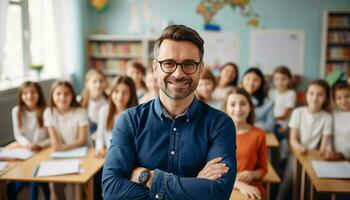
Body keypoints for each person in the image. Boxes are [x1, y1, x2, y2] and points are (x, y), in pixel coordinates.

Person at [102, 24, 237, 200]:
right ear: (155, 68)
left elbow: (218, 193)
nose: (178, 73)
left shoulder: (220, 124)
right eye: (168, 64)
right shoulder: (129, 120)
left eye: (189, 64)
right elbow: (112, 191)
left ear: (201, 69)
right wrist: (196, 183)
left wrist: (148, 178)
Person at [276, 79, 334, 200]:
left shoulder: (327, 117)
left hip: (314, 154)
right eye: (311, 93)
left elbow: (325, 142)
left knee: (315, 182)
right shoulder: (298, 112)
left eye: (320, 94)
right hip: (297, 152)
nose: (315, 98)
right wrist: (299, 148)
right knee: (289, 180)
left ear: (326, 97)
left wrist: (323, 152)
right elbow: (293, 140)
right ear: (306, 94)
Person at [44, 81, 90, 200]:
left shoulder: (80, 111)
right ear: (52, 96)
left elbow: (82, 139)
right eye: (58, 94)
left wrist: (63, 147)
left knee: (78, 181)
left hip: (83, 153)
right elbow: (55, 144)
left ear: (72, 95)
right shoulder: (48, 113)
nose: (62, 97)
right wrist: (61, 148)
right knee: (54, 182)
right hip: (61, 155)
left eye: (66, 94)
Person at [8, 81, 50, 200]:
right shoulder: (16, 111)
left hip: (43, 151)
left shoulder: (46, 111)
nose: (29, 96)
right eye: (25, 93)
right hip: (24, 151)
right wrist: (28, 144)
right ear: (21, 96)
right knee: (18, 179)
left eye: (33, 92)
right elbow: (18, 134)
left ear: (39, 94)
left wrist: (40, 144)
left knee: (35, 178)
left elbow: (51, 137)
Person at [224, 88, 267, 200]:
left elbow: (263, 169)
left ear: (250, 108)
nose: (238, 109)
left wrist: (252, 174)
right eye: (233, 104)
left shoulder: (259, 134)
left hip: (250, 187)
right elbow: (210, 171)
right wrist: (238, 184)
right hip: (222, 186)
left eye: (243, 104)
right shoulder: (217, 134)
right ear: (226, 108)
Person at [95, 76, 138, 157]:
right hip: (108, 155)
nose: (120, 96)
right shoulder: (104, 110)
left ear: (131, 95)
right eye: (116, 91)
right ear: (111, 92)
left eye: (125, 93)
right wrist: (100, 149)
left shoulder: (136, 114)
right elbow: (100, 135)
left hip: (127, 157)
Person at [268, 66, 296, 160]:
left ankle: (282, 157)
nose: (280, 82)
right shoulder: (271, 92)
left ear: (289, 80)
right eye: (277, 79)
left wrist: (271, 119)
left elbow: (285, 116)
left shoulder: (290, 94)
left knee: (278, 132)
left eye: (283, 79)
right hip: (272, 122)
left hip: (283, 124)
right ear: (273, 80)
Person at [242, 67, 274, 132]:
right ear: (243, 79)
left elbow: (270, 126)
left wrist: (246, 125)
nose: (251, 83)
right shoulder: (232, 96)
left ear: (261, 83)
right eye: (248, 78)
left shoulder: (268, 103)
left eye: (256, 80)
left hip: (256, 134)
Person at [79, 69, 108, 136]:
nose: (98, 85)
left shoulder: (109, 101)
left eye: (101, 81)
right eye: (94, 82)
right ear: (87, 84)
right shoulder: (80, 102)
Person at [332, 81, 350, 159]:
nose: (343, 101)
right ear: (335, 100)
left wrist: (340, 154)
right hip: (332, 155)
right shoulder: (333, 114)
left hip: (346, 157)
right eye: (339, 98)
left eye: (347, 96)